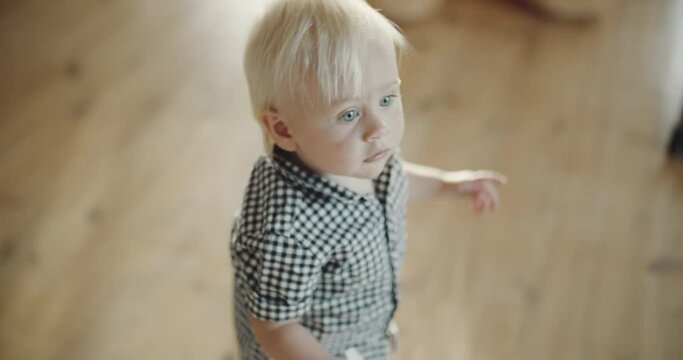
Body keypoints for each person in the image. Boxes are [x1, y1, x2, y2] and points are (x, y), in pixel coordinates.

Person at [230, 0, 508, 358]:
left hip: (360, 325)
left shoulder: (360, 157)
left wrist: (447, 184)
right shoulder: (287, 232)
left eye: (388, 98)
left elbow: (393, 181)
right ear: (284, 129)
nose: (379, 127)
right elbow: (276, 326)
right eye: (348, 114)